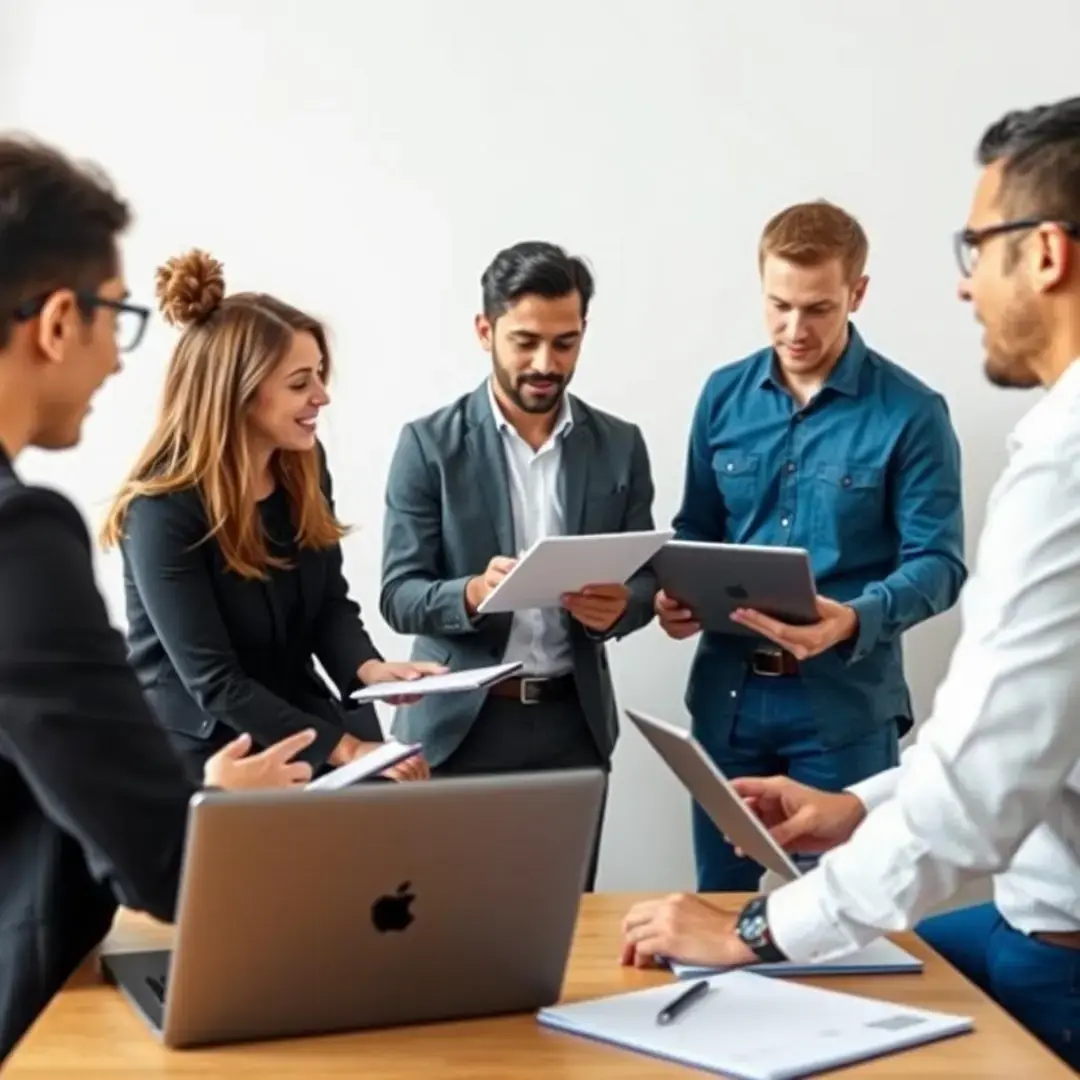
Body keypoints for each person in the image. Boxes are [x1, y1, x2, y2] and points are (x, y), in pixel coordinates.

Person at [620, 95, 1080, 1071]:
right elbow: (1010, 742)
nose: (965, 290)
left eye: (975, 249)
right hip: (748, 714)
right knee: (805, 991)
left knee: (815, 994)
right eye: (778, 305)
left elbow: (981, 781)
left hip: (1025, 903)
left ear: (1042, 254)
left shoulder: (1045, 459)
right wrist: (863, 807)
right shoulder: (723, 395)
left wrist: (753, 932)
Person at [0, 137, 321, 1063]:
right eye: (115, 318)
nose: (113, 361)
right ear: (60, 321)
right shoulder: (18, 538)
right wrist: (209, 806)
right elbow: (158, 861)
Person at [656, 200, 966, 891]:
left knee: (842, 920)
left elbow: (941, 564)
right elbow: (696, 529)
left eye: (819, 308)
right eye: (779, 305)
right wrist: (673, 598)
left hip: (843, 708)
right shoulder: (721, 396)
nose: (795, 329)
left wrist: (855, 617)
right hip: (727, 700)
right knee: (721, 908)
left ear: (857, 293)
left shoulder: (913, 412)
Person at [100, 249, 439, 785]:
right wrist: (348, 749)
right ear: (240, 394)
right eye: (300, 382)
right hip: (212, 749)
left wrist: (368, 670)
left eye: (320, 376)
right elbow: (214, 683)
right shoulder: (162, 510)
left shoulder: (304, 465)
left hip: (299, 717)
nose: (322, 396)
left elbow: (328, 603)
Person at [379, 240, 657, 889]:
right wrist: (472, 593)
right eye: (525, 341)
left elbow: (645, 576)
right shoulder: (429, 445)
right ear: (486, 331)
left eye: (565, 344)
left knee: (561, 926)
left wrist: (625, 606)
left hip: (572, 726)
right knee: (441, 926)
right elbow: (398, 592)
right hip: (458, 731)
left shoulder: (620, 445)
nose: (545, 363)